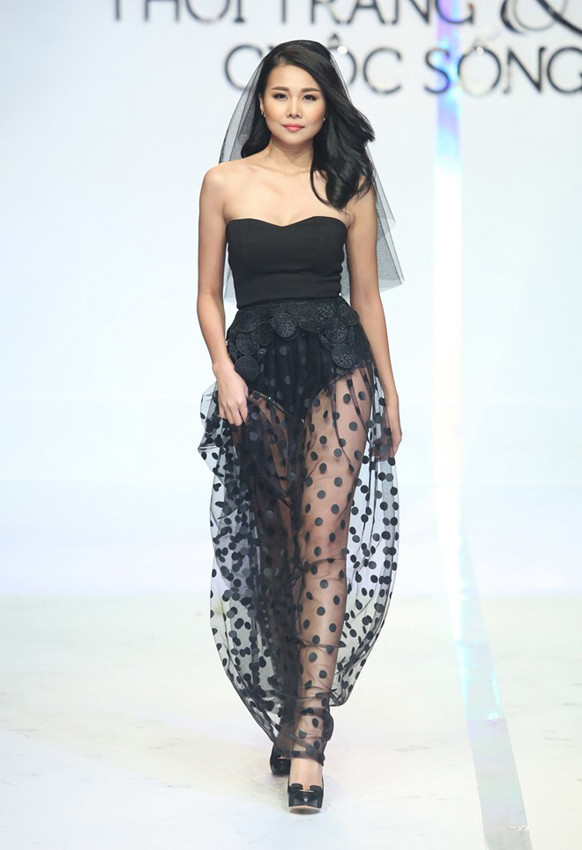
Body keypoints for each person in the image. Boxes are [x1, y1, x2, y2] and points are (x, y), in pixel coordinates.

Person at [197, 39, 404, 814]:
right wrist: (224, 370)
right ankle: (290, 706)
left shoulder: (350, 182)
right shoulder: (223, 182)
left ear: (327, 106)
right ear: (262, 102)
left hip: (337, 366)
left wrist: (390, 395)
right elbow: (207, 294)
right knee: (280, 550)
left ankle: (310, 735)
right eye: (281, 95)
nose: (294, 110)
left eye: (309, 97)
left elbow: (367, 297)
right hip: (254, 369)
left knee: (323, 538)